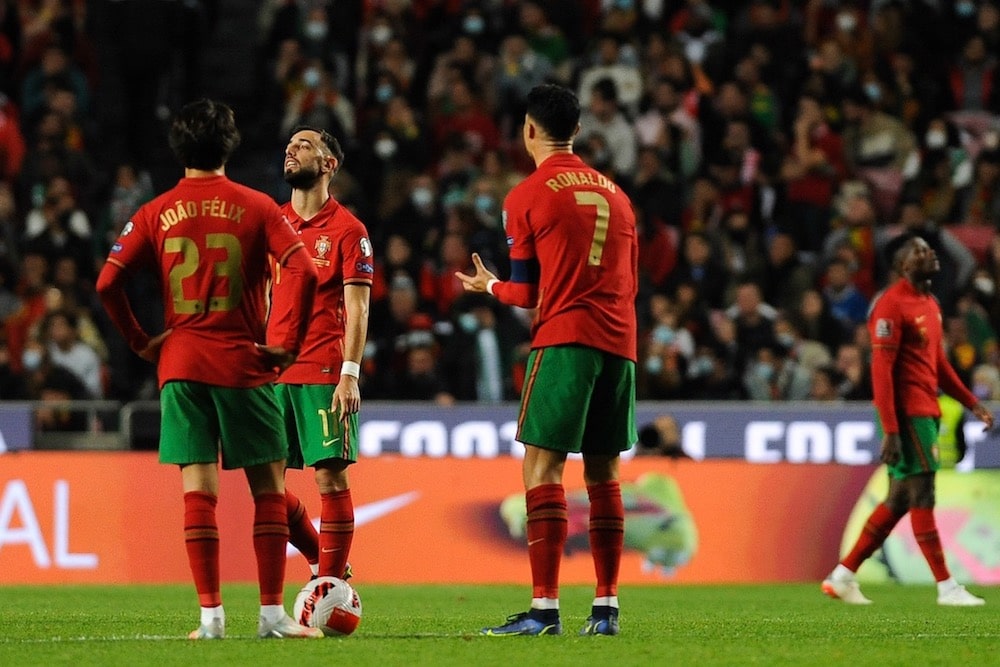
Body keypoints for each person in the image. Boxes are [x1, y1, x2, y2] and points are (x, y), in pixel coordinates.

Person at [95, 99, 322, 639]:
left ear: (178, 147)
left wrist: (142, 343)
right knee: (268, 490)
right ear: (230, 144)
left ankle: (211, 618)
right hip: (243, 361)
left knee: (199, 490)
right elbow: (305, 271)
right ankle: (272, 616)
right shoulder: (258, 206)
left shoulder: (154, 211)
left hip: (181, 365)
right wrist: (286, 346)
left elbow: (107, 283)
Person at [456, 83, 638, 637]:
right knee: (605, 472)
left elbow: (528, 292)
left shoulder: (526, 196)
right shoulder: (618, 196)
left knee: (542, 468)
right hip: (620, 345)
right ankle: (605, 609)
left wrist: (490, 286)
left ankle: (544, 610)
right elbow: (630, 281)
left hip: (565, 341)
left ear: (529, 130)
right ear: (577, 131)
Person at [821, 233, 994, 607]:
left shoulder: (930, 303)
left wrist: (971, 403)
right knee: (922, 493)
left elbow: (938, 363)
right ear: (902, 264)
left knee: (899, 499)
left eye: (928, 249)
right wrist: (891, 429)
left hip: (925, 409)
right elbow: (881, 372)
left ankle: (843, 576)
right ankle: (947, 587)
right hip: (907, 413)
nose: (929, 254)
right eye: (919, 251)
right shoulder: (890, 305)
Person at [268, 126, 372, 583]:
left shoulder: (349, 230)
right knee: (266, 487)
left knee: (329, 478)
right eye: (289, 144)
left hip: (324, 370)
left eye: (304, 145)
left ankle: (328, 585)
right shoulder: (271, 223)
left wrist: (350, 374)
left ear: (329, 164)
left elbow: (358, 307)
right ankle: (322, 562)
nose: (291, 150)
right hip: (274, 372)